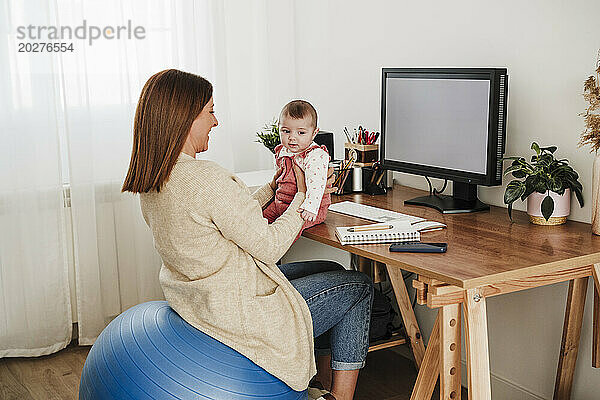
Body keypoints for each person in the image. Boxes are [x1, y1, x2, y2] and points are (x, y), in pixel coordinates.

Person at [122, 69, 373, 400]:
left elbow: (230, 219)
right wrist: (302, 196)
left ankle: (319, 387)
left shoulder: (154, 178)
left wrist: (273, 187)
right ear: (186, 119)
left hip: (201, 297)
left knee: (334, 271)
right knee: (359, 286)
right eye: (210, 111)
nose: (216, 122)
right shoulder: (206, 178)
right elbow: (267, 247)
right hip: (238, 312)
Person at [263, 100, 330, 238]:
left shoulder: (314, 155)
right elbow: (279, 177)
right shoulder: (283, 151)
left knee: (287, 233)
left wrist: (310, 207)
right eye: (286, 131)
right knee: (258, 222)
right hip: (280, 204)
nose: (292, 137)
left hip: (306, 207)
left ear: (314, 133)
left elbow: (316, 184)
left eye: (301, 132)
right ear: (279, 128)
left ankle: (272, 255)